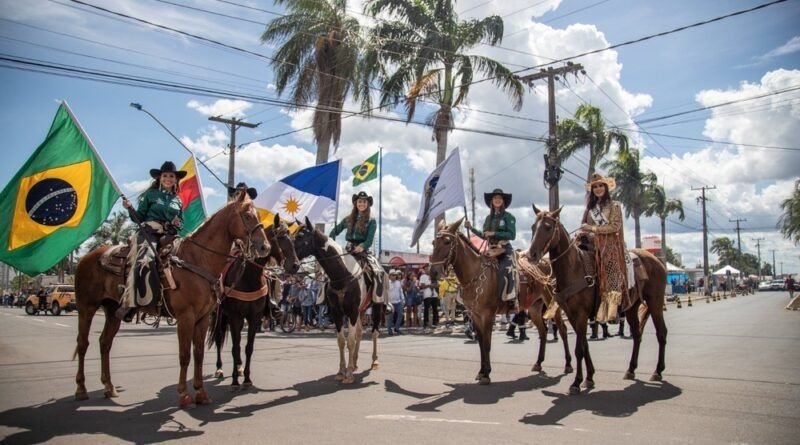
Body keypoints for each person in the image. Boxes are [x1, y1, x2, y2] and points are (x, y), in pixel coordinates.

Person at [116, 161, 186, 322]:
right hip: (149, 232)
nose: (168, 178)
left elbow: (181, 222)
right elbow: (139, 217)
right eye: (165, 175)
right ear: (159, 178)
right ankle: (131, 302)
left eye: (171, 176)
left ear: (176, 179)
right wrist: (129, 208)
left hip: (170, 235)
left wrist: (177, 224)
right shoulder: (151, 195)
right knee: (145, 260)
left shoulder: (178, 200)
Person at [578, 172, 631, 338]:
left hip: (609, 246)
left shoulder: (614, 206)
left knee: (610, 268)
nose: (598, 189)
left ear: (606, 188)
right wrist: (582, 232)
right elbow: (583, 226)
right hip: (590, 245)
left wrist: (592, 229)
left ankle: (613, 306)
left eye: (601, 186)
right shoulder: (589, 209)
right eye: (595, 187)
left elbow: (615, 227)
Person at [465, 188, 518, 302]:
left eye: (499, 198)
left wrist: (494, 233)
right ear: (492, 201)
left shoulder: (509, 217)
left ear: (503, 201)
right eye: (495, 198)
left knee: (505, 269)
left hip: (504, 249)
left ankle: (510, 297)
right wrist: (471, 228)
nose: (497, 200)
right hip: (491, 249)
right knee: (478, 268)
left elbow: (512, 235)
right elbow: (484, 235)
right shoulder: (488, 218)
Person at [329, 191, 384, 298]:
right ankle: (324, 297)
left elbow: (369, 240)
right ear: (356, 203)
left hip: (362, 251)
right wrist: (330, 241)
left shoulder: (371, 221)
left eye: (364, 202)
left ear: (368, 204)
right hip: (347, 250)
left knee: (377, 272)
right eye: (359, 201)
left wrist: (362, 246)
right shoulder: (348, 219)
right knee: (330, 269)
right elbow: (335, 231)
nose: (361, 204)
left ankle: (378, 299)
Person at [419, 265, 439, 331]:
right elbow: (422, 286)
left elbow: (437, 285)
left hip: (434, 295)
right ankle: (426, 323)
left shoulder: (433, 276)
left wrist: (432, 285)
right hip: (427, 295)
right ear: (424, 269)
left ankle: (435, 323)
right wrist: (430, 285)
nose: (428, 270)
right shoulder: (423, 276)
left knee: (435, 310)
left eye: (429, 268)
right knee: (426, 310)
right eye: (426, 268)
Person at [387, 270, 405, 335]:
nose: (394, 276)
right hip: (390, 303)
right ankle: (389, 330)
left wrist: (403, 299)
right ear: (389, 276)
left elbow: (401, 291)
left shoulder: (398, 282)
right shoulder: (387, 283)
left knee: (401, 315)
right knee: (390, 317)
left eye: (395, 275)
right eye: (392, 275)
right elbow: (385, 292)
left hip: (398, 302)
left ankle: (396, 328)